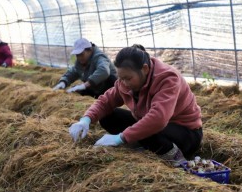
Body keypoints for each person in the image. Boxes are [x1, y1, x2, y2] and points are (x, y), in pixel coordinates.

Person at [68, 44, 203, 167]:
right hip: (154, 125)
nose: (124, 83)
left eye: (128, 78)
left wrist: (120, 137)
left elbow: (158, 119)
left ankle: (176, 157)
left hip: (185, 133)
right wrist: (86, 119)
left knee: (149, 128)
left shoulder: (167, 78)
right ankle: (146, 144)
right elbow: (106, 101)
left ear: (144, 69)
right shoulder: (125, 82)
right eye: (121, 78)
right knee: (108, 116)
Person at [53, 38, 117, 99]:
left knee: (111, 78)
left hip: (109, 88)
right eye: (77, 55)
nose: (79, 57)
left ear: (90, 50)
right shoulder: (81, 61)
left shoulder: (99, 57)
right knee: (74, 91)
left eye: (81, 54)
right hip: (95, 89)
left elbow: (104, 71)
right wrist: (64, 82)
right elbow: (74, 71)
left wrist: (85, 85)